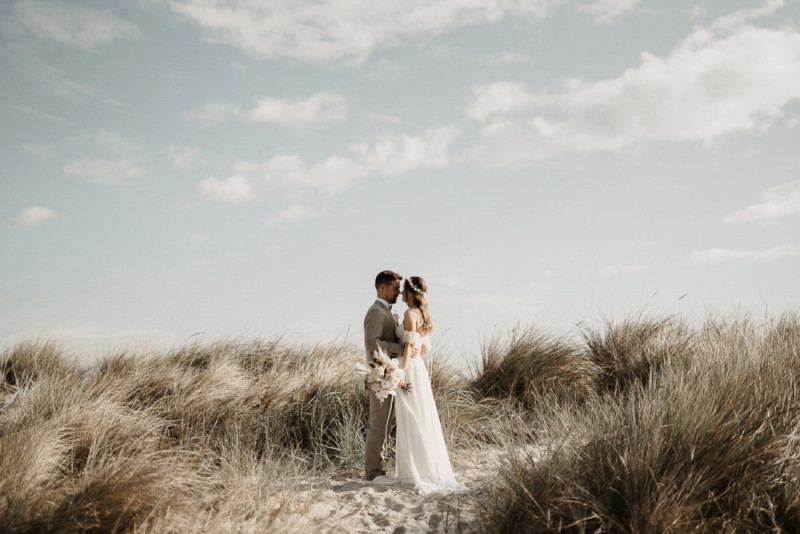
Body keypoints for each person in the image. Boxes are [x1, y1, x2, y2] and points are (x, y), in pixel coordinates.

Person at [393, 276, 463, 495]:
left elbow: (407, 348)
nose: (402, 293)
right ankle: (425, 468)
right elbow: (422, 349)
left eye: (404, 290)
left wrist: (401, 372)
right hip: (419, 368)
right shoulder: (423, 315)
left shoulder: (409, 314)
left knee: (411, 416)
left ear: (411, 294)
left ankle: (414, 471)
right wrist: (413, 352)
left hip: (410, 369)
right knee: (421, 415)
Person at [363, 270, 407, 483]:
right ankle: (373, 473)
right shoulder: (375, 312)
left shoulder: (389, 311)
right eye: (395, 288)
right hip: (380, 376)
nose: (399, 292)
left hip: (391, 375)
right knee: (378, 425)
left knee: (386, 425)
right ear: (382, 288)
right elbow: (372, 344)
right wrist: (399, 348)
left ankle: (379, 470)